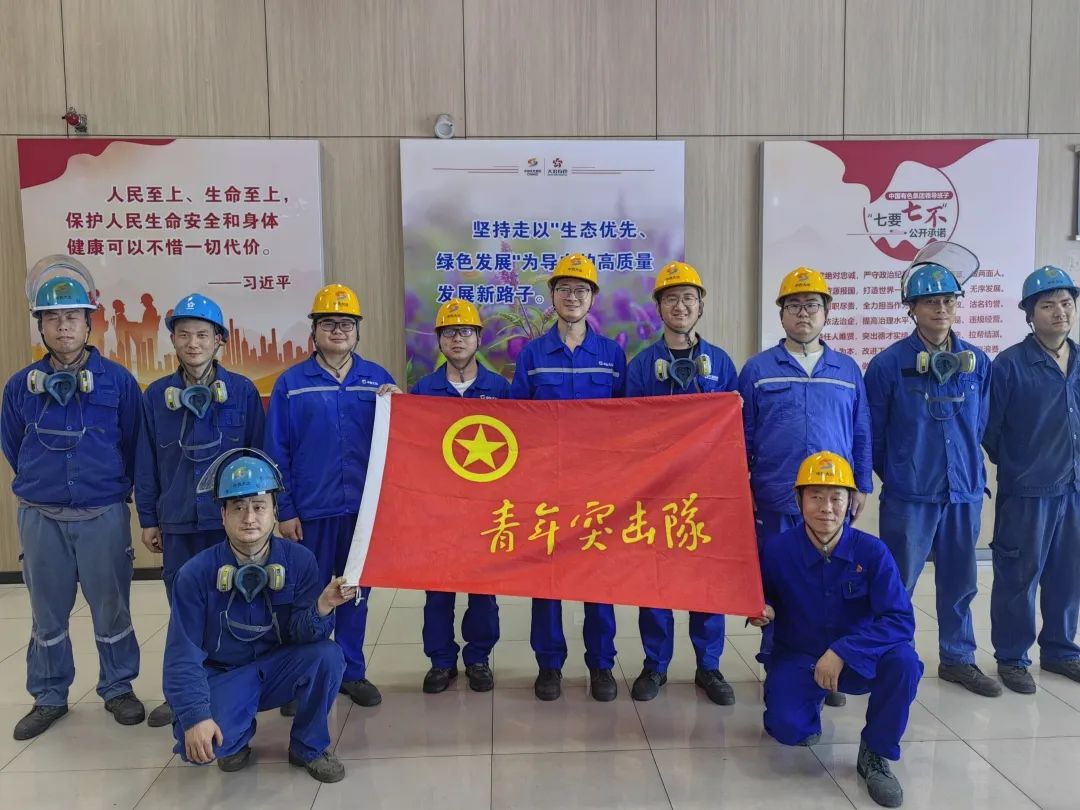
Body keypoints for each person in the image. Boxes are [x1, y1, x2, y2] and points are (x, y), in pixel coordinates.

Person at [2, 258, 145, 740]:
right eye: (53, 317)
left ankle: (118, 687)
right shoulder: (19, 387)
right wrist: (46, 486)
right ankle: (49, 695)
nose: (63, 326)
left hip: (102, 514)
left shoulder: (118, 382)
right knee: (47, 612)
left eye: (72, 317)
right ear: (41, 326)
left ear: (89, 323)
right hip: (41, 517)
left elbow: (133, 444)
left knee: (112, 607)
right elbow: (13, 445)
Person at [163, 449, 349, 782]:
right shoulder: (195, 574)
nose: (249, 518)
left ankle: (309, 746)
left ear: (275, 511)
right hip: (224, 674)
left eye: (259, 506)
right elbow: (182, 655)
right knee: (202, 745)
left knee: (328, 656)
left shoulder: (300, 561)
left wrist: (323, 606)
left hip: (278, 668)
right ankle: (236, 734)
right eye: (238, 507)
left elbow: (304, 636)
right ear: (223, 515)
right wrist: (195, 716)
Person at [752, 451, 922, 809]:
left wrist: (844, 651)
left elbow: (900, 619)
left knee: (904, 662)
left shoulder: (873, 553)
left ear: (851, 502)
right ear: (798, 499)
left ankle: (875, 752)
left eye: (836, 498)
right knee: (788, 729)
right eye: (815, 496)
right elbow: (760, 594)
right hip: (800, 654)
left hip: (859, 658)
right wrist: (762, 608)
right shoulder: (777, 550)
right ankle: (809, 702)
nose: (826, 508)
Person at [739, 266, 873, 707]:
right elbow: (741, 434)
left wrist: (861, 484)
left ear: (826, 313)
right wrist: (741, 486)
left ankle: (828, 666)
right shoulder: (758, 369)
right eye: (794, 305)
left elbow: (861, 430)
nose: (803, 313)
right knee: (779, 584)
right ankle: (778, 664)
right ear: (781, 314)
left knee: (830, 586)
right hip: (775, 497)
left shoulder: (846, 370)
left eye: (812, 305)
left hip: (831, 502)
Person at [864, 258, 999, 697]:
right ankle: (893, 657)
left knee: (960, 582)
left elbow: (980, 424)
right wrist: (904, 472)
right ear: (912, 308)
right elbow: (874, 436)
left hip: (963, 493)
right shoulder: (887, 365)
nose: (941, 309)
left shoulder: (977, 362)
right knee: (897, 583)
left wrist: (963, 469)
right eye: (930, 301)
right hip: (909, 496)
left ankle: (958, 658)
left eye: (948, 300)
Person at [265, 283, 400, 710]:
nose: (338, 330)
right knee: (309, 596)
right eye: (329, 323)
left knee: (355, 593)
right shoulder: (291, 384)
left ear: (357, 331)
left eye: (346, 323)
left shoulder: (378, 380)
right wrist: (284, 510)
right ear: (314, 331)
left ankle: (350, 671)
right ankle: (305, 676)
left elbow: (400, 443)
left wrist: (401, 406)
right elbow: (276, 451)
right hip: (311, 512)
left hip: (363, 511)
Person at [135, 293, 265, 727]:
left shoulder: (242, 392)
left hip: (230, 526)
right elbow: (146, 462)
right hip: (178, 524)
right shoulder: (156, 397)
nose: (193, 343)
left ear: (219, 340)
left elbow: (259, 458)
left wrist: (260, 520)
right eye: (185, 334)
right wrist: (149, 519)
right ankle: (183, 695)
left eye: (203, 335)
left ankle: (237, 688)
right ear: (173, 339)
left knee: (238, 604)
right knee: (184, 612)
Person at [510, 254, 626, 702]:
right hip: (548, 488)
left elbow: (630, 420)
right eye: (564, 289)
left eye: (581, 290)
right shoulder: (533, 355)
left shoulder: (612, 355)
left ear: (592, 298)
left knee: (599, 579)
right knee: (548, 580)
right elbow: (518, 422)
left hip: (599, 489)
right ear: (552, 296)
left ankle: (601, 664)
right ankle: (549, 665)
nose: (572, 297)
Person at [624, 261, 738, 705]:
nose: (680, 306)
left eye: (688, 298)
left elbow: (736, 428)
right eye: (671, 298)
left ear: (701, 305)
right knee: (655, 580)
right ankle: (656, 664)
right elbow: (627, 432)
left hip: (707, 495)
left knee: (706, 578)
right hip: (655, 494)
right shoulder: (641, 365)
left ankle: (709, 666)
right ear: (658, 307)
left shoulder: (720, 363)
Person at [984, 265, 1080, 693]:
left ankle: (1060, 650)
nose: (1060, 312)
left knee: (1069, 573)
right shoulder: (1009, 365)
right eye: (1048, 305)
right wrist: (1021, 465)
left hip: (1074, 488)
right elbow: (990, 429)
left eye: (1066, 303)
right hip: (1027, 490)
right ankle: (1012, 657)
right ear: (1029, 314)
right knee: (1018, 575)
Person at [411, 299, 506, 694]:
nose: (457, 339)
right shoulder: (422, 390)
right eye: (449, 332)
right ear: (439, 340)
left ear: (479, 338)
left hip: (487, 509)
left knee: (483, 591)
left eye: (466, 331)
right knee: (438, 590)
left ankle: (479, 658)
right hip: (439, 510)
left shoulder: (500, 389)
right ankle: (441, 661)